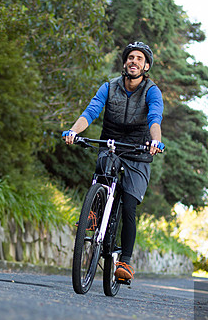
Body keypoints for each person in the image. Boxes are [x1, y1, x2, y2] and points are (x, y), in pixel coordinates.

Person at [63, 41, 164, 283]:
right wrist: (73, 131)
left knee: (129, 204)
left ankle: (125, 262)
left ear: (146, 66)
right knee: (104, 170)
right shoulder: (109, 87)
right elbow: (91, 111)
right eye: (131, 57)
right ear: (125, 62)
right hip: (112, 143)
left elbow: (154, 118)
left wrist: (155, 141)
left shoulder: (152, 91)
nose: (134, 61)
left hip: (139, 150)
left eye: (140, 58)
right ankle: (94, 212)